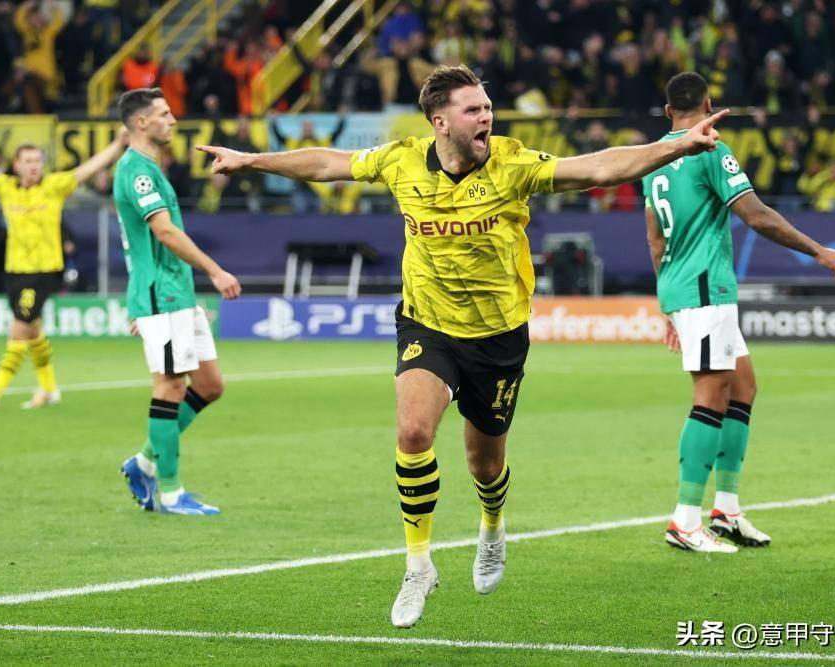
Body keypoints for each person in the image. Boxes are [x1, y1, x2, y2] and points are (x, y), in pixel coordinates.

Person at [196, 64, 728, 627]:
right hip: (427, 324)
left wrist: (676, 146)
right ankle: (418, 564)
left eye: (487, 107)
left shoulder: (512, 164)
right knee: (412, 432)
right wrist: (251, 160)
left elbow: (597, 167)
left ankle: (492, 527)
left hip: (497, 336)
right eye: (473, 109)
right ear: (440, 122)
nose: (486, 117)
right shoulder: (401, 160)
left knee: (484, 463)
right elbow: (328, 164)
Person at [642, 72, 835, 554]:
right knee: (711, 394)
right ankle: (685, 519)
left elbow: (654, 239)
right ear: (708, 104)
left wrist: (668, 303)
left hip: (685, 287)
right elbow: (756, 215)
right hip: (704, 287)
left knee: (743, 387)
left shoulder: (653, 159)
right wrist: (818, 250)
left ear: (668, 111)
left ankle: (726, 510)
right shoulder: (711, 150)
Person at [114, 88, 242, 516]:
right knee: (170, 387)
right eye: (164, 114)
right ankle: (169, 491)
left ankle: (144, 461)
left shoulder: (150, 168)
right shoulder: (137, 172)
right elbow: (165, 233)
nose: (172, 119)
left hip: (177, 295)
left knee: (210, 385)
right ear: (141, 123)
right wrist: (215, 271)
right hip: (160, 295)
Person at [0, 132, 129, 409]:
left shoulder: (54, 186)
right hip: (15, 271)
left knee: (19, 328)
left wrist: (118, 144)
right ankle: (49, 389)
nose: (34, 166)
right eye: (28, 161)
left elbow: (88, 169)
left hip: (45, 271)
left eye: (38, 160)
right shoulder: (6, 188)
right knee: (33, 330)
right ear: (17, 165)